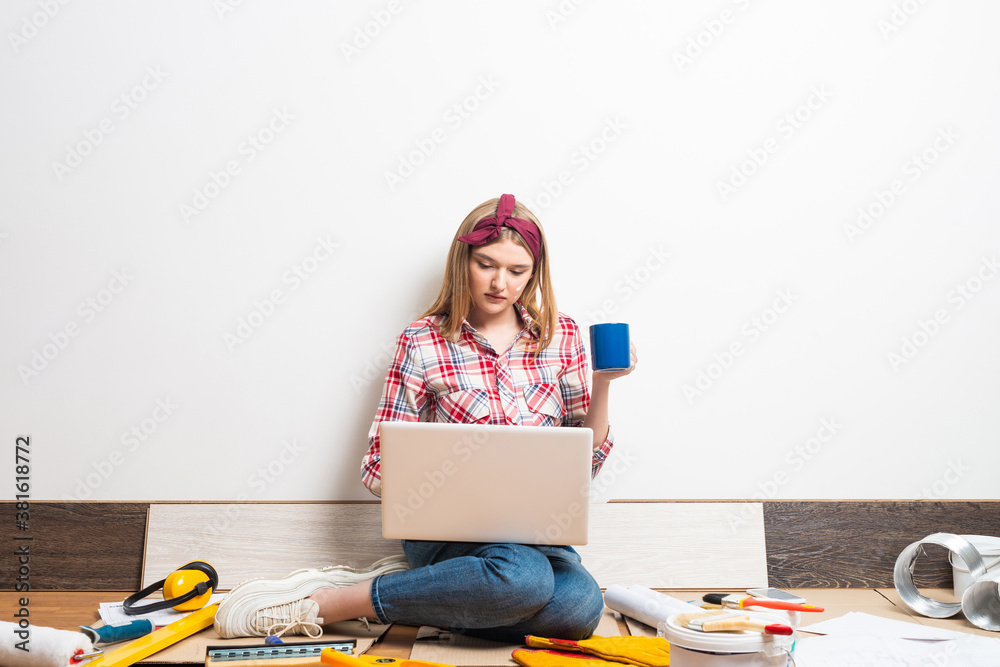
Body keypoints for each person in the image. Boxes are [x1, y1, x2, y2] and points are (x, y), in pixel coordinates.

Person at [214, 194, 637, 642]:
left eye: (517, 271)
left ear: (535, 273)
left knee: (579, 609)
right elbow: (377, 464)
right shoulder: (422, 340)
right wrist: (453, 485)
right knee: (525, 580)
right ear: (463, 262)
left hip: (538, 536)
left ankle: (418, 594)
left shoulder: (562, 335)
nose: (500, 283)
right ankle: (331, 601)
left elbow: (583, 462)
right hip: (449, 534)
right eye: (486, 265)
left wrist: (605, 382)